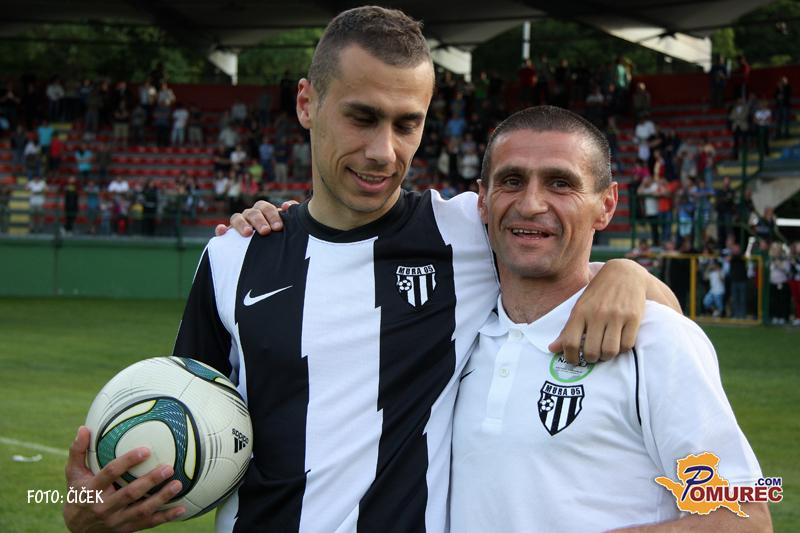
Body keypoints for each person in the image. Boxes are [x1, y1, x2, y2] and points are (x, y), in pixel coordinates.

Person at [63, 8, 677, 533]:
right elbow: (182, 419)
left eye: (406, 123)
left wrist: (624, 271)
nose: (384, 151)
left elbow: (627, 297)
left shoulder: (467, 233)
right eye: (362, 117)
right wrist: (87, 509)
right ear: (307, 103)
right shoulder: (233, 256)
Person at [449, 105, 771, 532]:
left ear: (606, 205)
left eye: (560, 183)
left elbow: (746, 519)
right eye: (511, 181)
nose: (530, 203)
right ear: (483, 201)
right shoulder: (457, 333)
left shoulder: (658, 340)